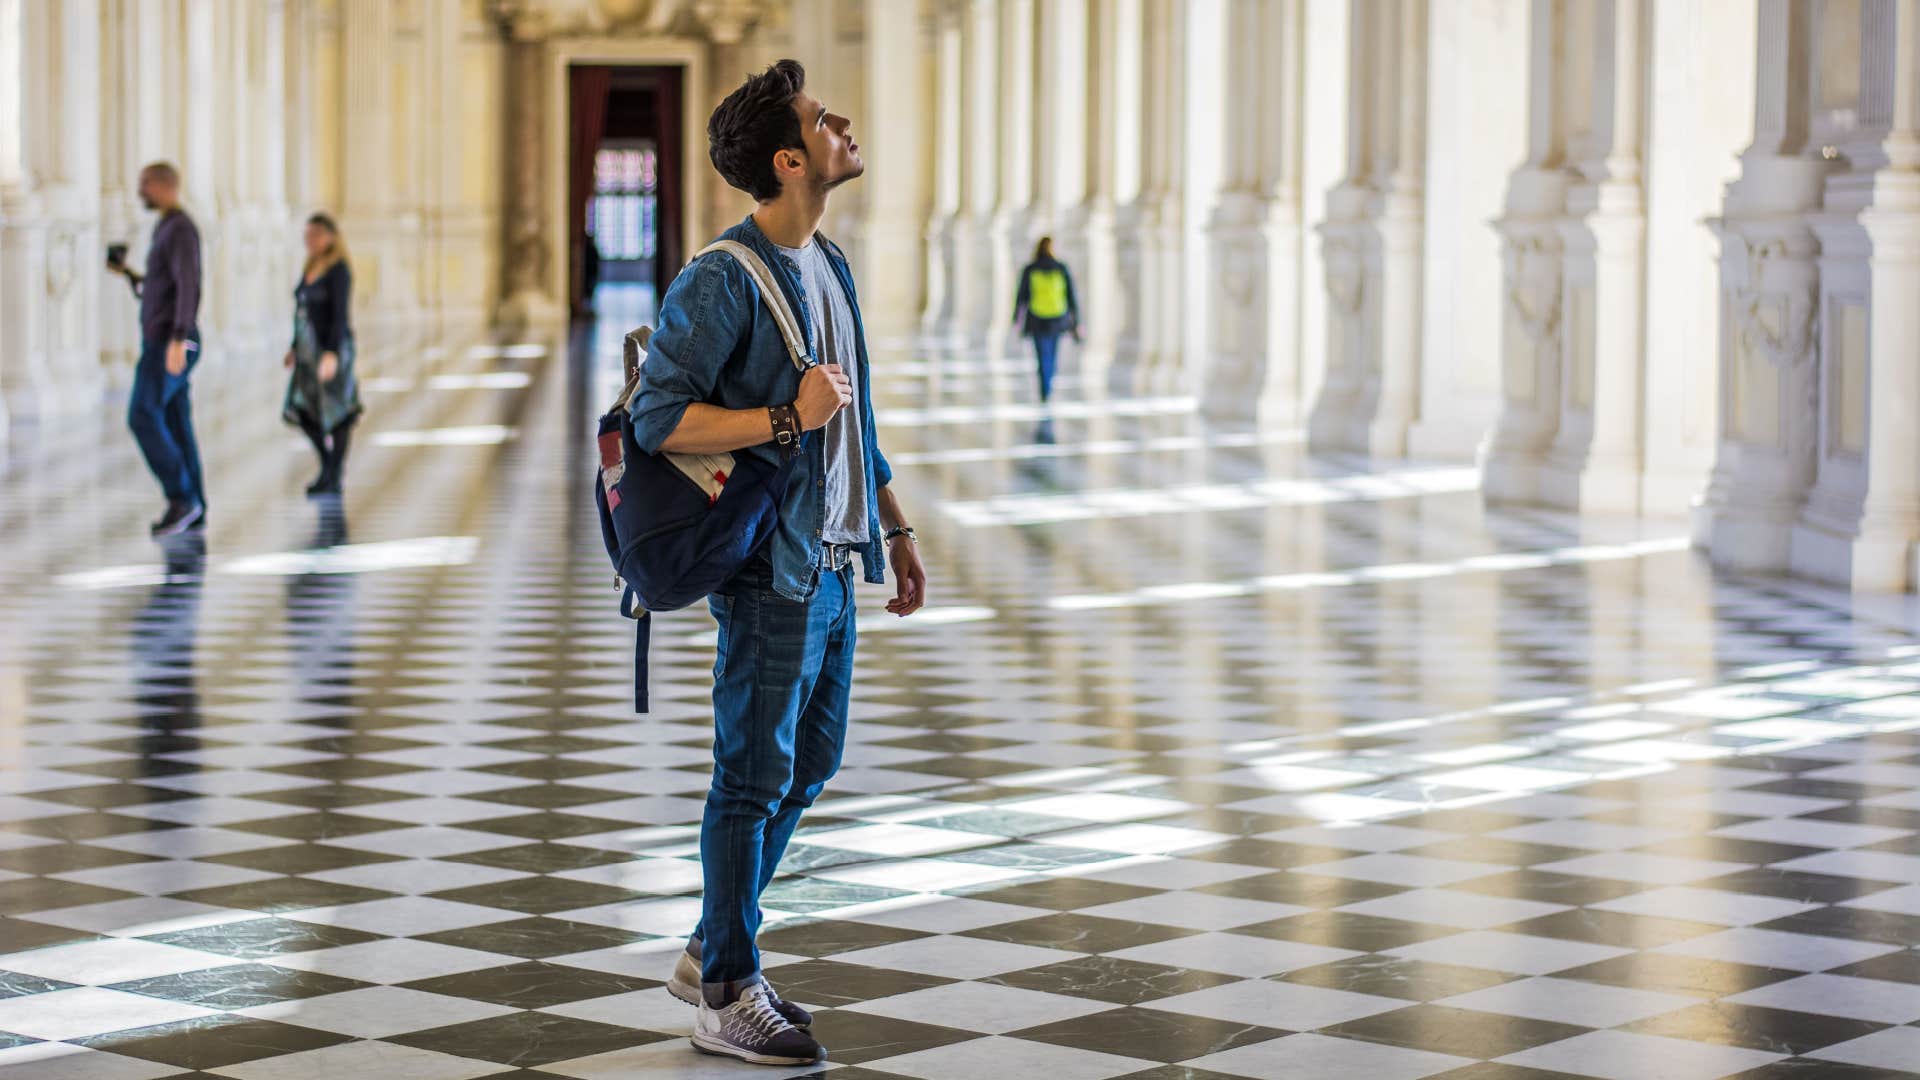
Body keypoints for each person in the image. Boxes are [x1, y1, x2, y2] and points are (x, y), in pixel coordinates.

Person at [627, 59, 929, 1068]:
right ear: (790, 160)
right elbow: (657, 417)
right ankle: (723, 991)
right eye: (820, 119)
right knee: (751, 779)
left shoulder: (829, 265)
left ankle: (716, 941)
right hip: (774, 568)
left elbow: (857, 417)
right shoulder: (722, 277)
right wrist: (781, 417)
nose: (843, 123)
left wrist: (894, 525)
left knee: (811, 763)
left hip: (839, 559)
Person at [107, 162, 206, 536]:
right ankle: (195, 503)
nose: (140, 192)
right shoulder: (167, 226)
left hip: (170, 341)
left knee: (143, 414)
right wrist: (129, 274)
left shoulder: (180, 228)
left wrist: (179, 338)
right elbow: (163, 288)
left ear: (164, 185)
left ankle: (182, 498)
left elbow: (188, 285)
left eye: (145, 184)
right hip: (166, 336)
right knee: (177, 421)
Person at [282, 213, 362, 496]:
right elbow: (302, 313)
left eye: (316, 234)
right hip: (307, 350)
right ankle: (328, 465)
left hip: (332, 347)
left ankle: (334, 473)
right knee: (304, 409)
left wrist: (331, 353)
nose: (310, 241)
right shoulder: (310, 267)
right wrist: (294, 347)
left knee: (337, 409)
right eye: (308, 235)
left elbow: (339, 314)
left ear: (330, 236)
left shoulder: (339, 270)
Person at [1012, 236, 1081, 404]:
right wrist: (1076, 320)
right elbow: (1071, 296)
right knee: (1053, 353)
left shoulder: (1030, 269)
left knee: (1042, 354)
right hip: (1057, 318)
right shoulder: (1061, 268)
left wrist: (1016, 318)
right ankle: (1048, 385)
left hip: (1037, 318)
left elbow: (1022, 296)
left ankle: (1044, 387)